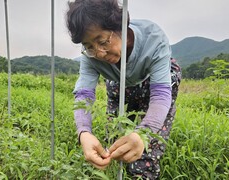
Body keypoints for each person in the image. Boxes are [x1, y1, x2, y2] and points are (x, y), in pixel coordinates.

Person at [66, 0, 181, 179]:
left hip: (153, 82)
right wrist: (84, 132)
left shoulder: (154, 39)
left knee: (143, 148)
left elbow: (160, 94)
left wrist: (144, 133)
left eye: (103, 41)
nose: (99, 53)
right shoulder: (90, 56)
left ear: (120, 27)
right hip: (119, 82)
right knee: (116, 141)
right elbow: (84, 93)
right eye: (89, 46)